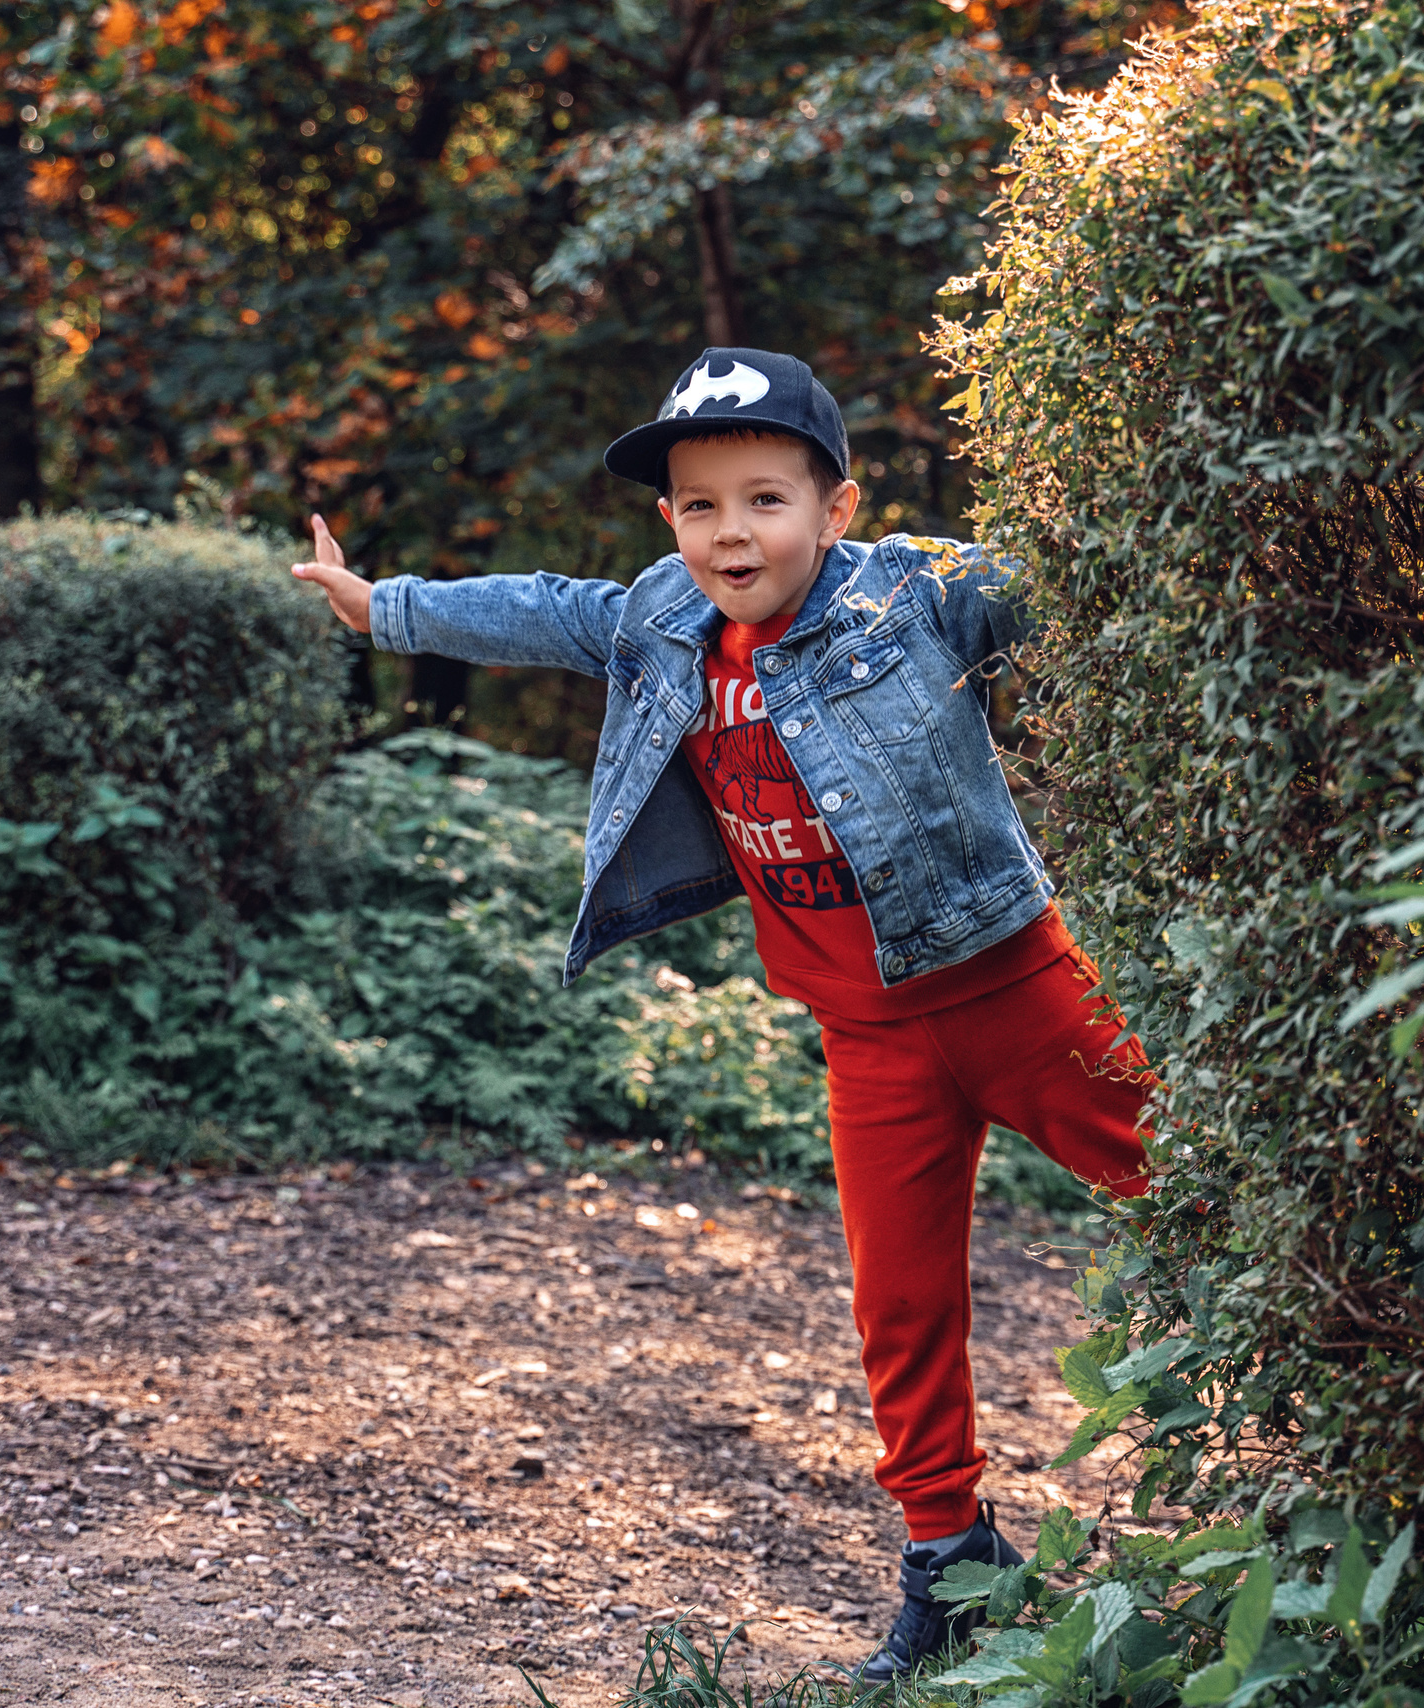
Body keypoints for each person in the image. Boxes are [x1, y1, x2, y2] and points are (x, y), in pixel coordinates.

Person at [286, 348, 1154, 1682]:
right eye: (700, 505)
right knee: (900, 1308)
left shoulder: (911, 594)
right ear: (669, 521)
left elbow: (1071, 582)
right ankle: (953, 1559)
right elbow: (543, 610)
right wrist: (382, 606)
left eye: (763, 499)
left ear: (837, 509)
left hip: (1010, 989)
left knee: (1197, 1193)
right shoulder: (661, 617)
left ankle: (1386, 1389)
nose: (731, 532)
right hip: (863, 1034)